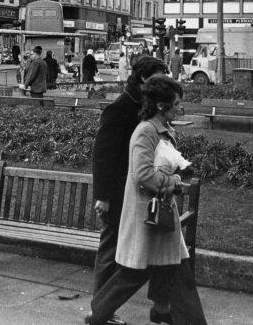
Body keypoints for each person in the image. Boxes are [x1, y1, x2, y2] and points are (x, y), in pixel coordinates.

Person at [87, 75, 206, 325]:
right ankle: (99, 313)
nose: (180, 108)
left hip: (156, 212)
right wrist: (172, 182)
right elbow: (141, 174)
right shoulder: (146, 131)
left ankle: (160, 310)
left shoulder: (159, 129)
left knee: (171, 266)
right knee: (142, 270)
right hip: (148, 215)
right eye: (176, 104)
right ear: (161, 106)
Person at [89, 56, 172, 325]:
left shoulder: (146, 109)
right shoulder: (120, 108)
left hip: (142, 194)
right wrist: (102, 196)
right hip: (118, 194)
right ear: (144, 78)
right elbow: (103, 156)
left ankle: (161, 306)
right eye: (159, 78)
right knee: (111, 250)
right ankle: (99, 309)